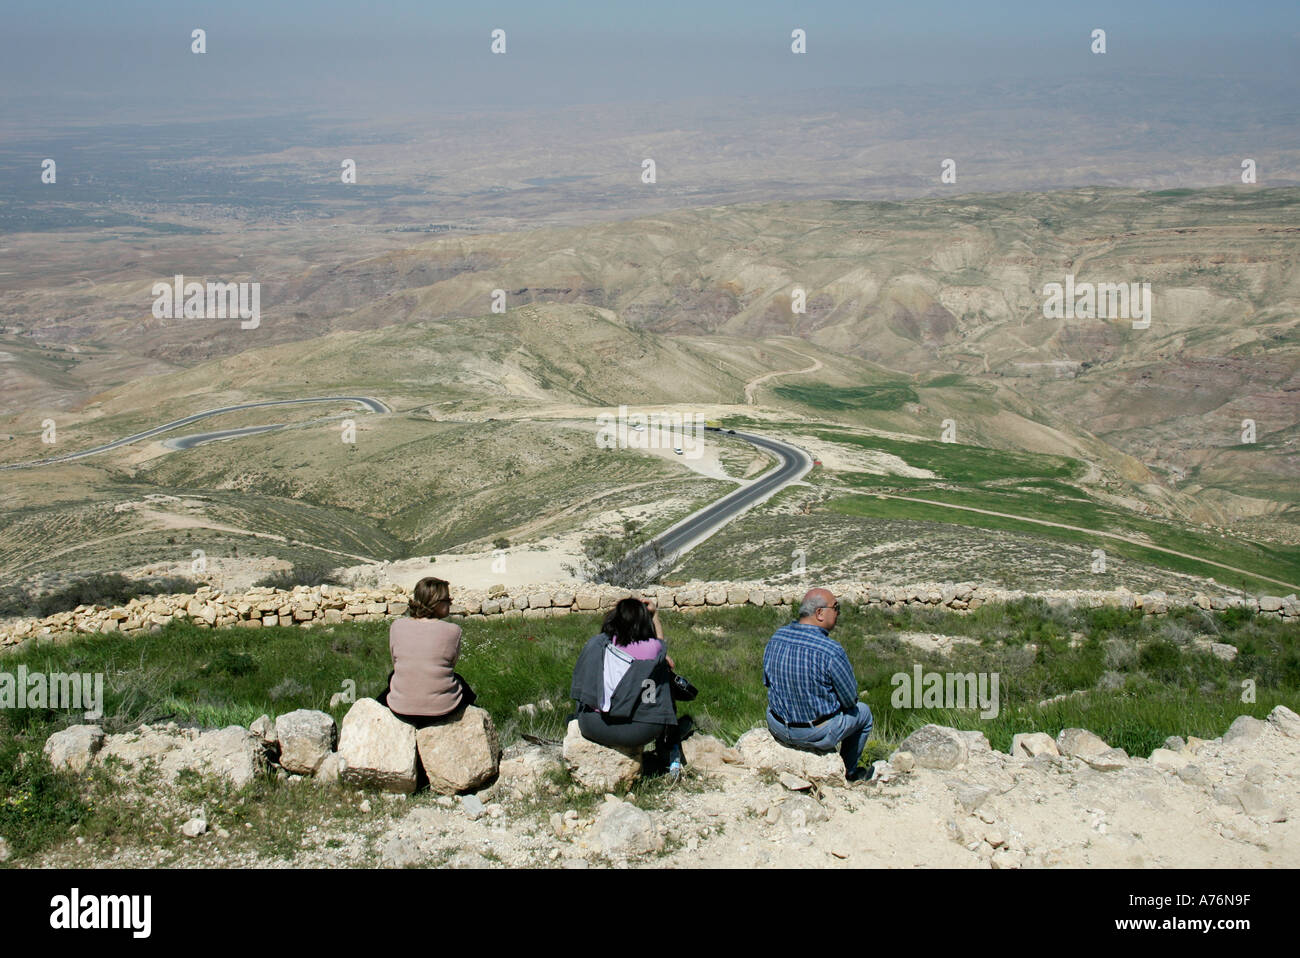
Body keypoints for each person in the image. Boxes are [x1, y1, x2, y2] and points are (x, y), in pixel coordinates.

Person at [762, 587, 874, 781]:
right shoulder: (830, 650)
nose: (838, 613)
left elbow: (767, 681)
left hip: (777, 726)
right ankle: (848, 771)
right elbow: (850, 700)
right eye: (836, 607)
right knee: (864, 714)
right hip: (814, 733)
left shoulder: (777, 637)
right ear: (820, 613)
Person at [570, 596, 684, 778]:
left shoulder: (599, 643)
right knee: (663, 674)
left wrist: (619, 610)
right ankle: (669, 747)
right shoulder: (652, 649)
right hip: (640, 731)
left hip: (594, 726)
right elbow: (661, 643)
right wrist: (654, 616)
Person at [377, 576, 477, 729]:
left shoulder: (397, 626)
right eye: (447, 599)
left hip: (400, 709)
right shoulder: (453, 631)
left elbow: (396, 662)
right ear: (435, 602)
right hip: (443, 710)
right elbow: (451, 664)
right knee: (460, 681)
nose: (450, 602)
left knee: (393, 676)